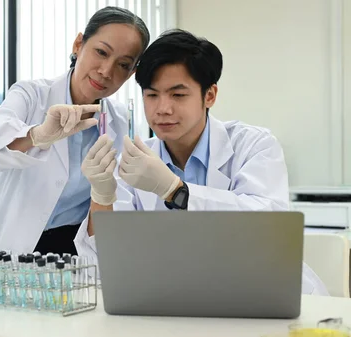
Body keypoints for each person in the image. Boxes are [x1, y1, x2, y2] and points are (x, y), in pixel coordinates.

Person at [76, 29, 329, 296]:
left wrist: (176, 191)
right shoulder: (131, 161)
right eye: (152, 95)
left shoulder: (254, 145)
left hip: (260, 292)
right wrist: (101, 198)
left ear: (209, 95)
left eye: (178, 95)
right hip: (172, 299)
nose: (162, 108)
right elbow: (105, 268)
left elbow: (269, 230)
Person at [0, 6, 150, 255]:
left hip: (73, 252)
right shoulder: (31, 95)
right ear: (78, 44)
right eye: (101, 52)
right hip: (9, 247)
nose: (106, 71)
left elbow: (117, 204)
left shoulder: (119, 123)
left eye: (122, 64)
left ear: (131, 74)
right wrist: (36, 135)